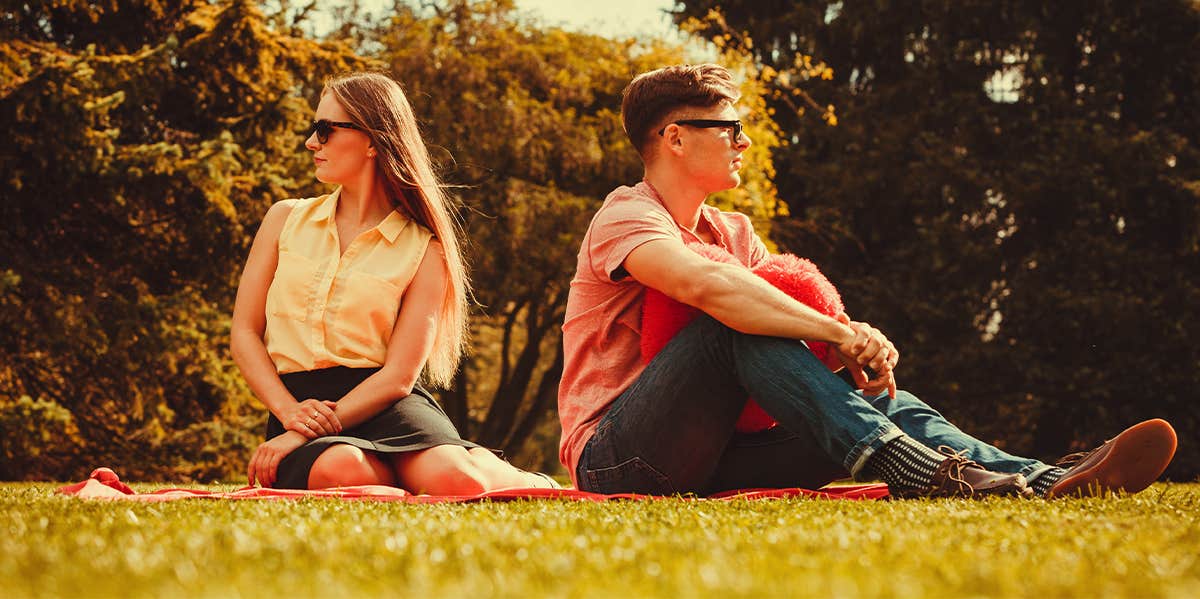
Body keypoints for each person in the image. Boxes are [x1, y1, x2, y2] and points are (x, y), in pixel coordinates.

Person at [557, 64, 1177, 499]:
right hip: (621, 459)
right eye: (729, 128)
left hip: (714, 456)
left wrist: (854, 339)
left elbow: (778, 326)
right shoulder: (627, 215)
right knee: (731, 327)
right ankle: (918, 472)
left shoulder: (734, 232)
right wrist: (836, 330)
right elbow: (712, 293)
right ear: (674, 137)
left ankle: (1041, 480)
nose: (745, 141)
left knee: (876, 401)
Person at [232, 71, 555, 492]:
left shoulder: (426, 247)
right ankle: (418, 469)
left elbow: (400, 377)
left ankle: (508, 473)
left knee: (459, 481)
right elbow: (244, 333)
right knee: (340, 469)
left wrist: (301, 434)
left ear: (372, 141)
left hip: (387, 402)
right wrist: (291, 416)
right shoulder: (283, 219)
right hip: (300, 403)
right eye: (314, 129)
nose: (312, 142)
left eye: (326, 129)